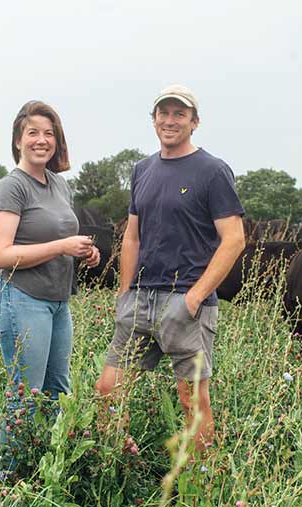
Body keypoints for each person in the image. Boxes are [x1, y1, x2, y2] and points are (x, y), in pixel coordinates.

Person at [94, 84, 245, 453]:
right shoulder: (142, 170)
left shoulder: (212, 171)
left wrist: (193, 299)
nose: (170, 120)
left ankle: (202, 480)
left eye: (180, 114)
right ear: (154, 120)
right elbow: (132, 236)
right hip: (140, 301)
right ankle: (116, 463)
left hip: (186, 306)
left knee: (191, 401)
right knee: (108, 389)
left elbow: (234, 239)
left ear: (195, 122)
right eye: (163, 113)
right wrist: (124, 293)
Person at [0, 100, 100, 472]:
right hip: (21, 299)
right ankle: (8, 477)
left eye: (49, 133)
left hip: (57, 303)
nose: (42, 140)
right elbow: (1, 255)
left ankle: (48, 469)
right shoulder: (10, 187)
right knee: (26, 394)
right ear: (18, 140)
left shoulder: (59, 184)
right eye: (33, 132)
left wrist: (83, 253)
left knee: (58, 391)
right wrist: (61, 247)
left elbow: (60, 238)